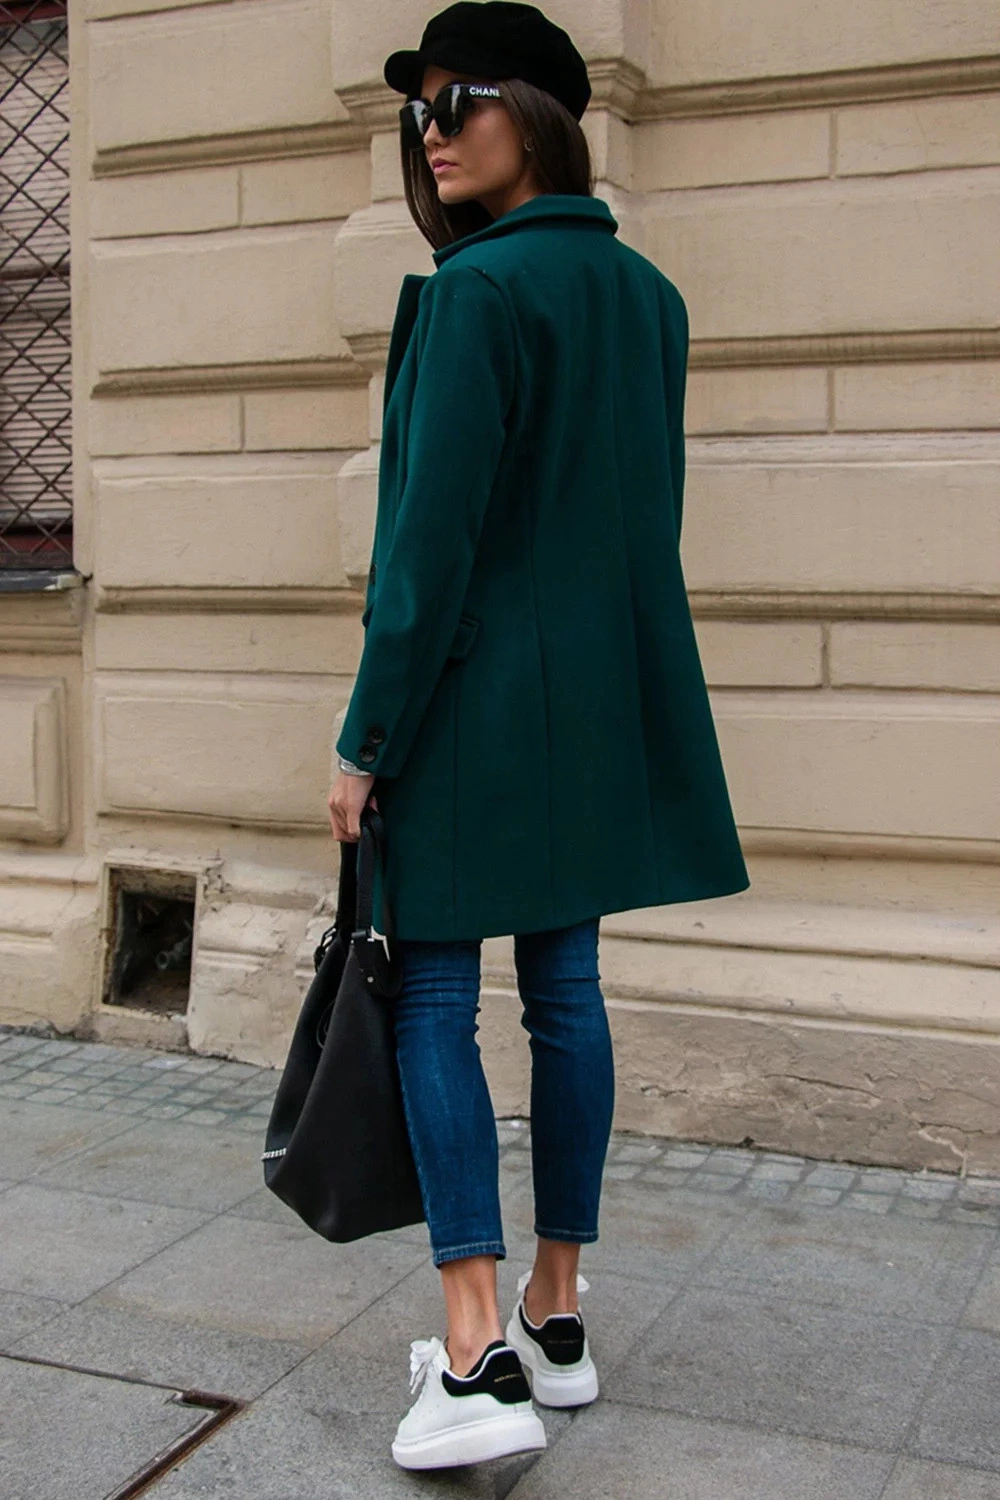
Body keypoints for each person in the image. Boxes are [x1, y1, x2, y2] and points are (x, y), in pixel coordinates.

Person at [326, 0, 749, 1472]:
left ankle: (471, 1355)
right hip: (593, 713)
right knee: (565, 993)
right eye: (420, 109)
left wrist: (367, 740)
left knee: (437, 1003)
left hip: (467, 711)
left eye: (462, 100)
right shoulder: (649, 300)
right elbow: (637, 525)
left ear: (545, 116)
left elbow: (426, 554)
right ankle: (556, 1318)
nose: (432, 131)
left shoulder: (474, 296)